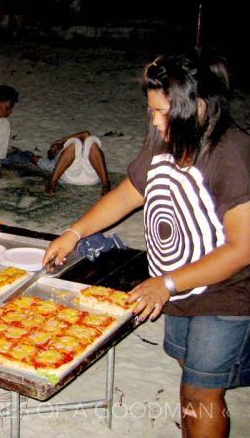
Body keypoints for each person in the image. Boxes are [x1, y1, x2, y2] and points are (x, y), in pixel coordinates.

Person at [43, 53, 250, 437]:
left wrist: (166, 283)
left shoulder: (231, 153)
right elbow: (129, 192)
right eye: (151, 110)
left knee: (202, 391)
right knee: (188, 374)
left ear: (198, 107)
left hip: (226, 294)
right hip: (177, 287)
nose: (154, 120)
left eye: (162, 111)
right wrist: (75, 232)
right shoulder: (168, 137)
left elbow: (242, 248)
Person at [33, 131, 110, 196]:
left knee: (91, 141)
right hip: (71, 176)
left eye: (54, 148)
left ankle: (106, 185)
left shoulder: (82, 146)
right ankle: (52, 183)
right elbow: (36, 160)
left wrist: (60, 142)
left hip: (91, 176)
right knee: (74, 143)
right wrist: (54, 150)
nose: (54, 148)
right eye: (52, 150)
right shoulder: (55, 163)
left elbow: (86, 134)